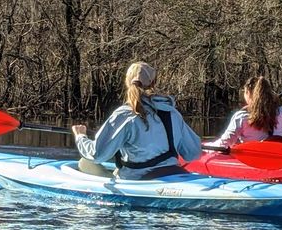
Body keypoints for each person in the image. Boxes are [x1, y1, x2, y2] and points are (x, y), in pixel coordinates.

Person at [71, 62, 202, 180]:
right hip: (174, 173)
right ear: (153, 83)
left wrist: (80, 136)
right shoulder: (172, 113)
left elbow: (97, 155)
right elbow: (193, 153)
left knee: (85, 162)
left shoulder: (125, 114)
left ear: (127, 83)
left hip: (139, 180)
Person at [207, 75, 282, 148]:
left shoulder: (242, 116)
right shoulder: (280, 111)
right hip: (278, 157)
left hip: (253, 160)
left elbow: (225, 143)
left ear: (248, 93)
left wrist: (207, 147)